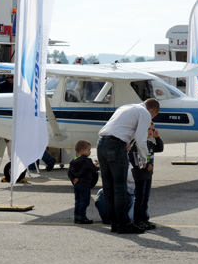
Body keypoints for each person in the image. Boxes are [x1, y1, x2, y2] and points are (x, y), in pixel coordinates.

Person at [97, 98, 160, 234]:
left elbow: (122, 129)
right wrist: (144, 159)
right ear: (153, 111)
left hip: (102, 143)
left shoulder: (126, 106)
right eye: (154, 115)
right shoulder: (145, 113)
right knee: (120, 188)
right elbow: (141, 139)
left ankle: (114, 223)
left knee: (109, 187)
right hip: (116, 145)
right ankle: (124, 224)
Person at [129, 122, 164, 230]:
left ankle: (144, 219)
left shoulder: (149, 143)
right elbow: (134, 159)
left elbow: (160, 148)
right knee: (139, 198)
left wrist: (157, 138)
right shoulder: (137, 144)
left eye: (152, 130)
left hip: (148, 175)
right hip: (140, 175)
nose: (150, 131)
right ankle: (138, 220)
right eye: (148, 129)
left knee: (145, 198)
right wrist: (146, 166)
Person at [68, 140, 100, 224]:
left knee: (78, 201)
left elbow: (69, 172)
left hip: (76, 185)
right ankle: (82, 217)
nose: (90, 152)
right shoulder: (87, 160)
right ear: (82, 150)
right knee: (85, 201)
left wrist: (73, 179)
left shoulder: (73, 161)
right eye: (88, 150)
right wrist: (99, 166)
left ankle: (77, 217)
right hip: (85, 184)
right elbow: (93, 169)